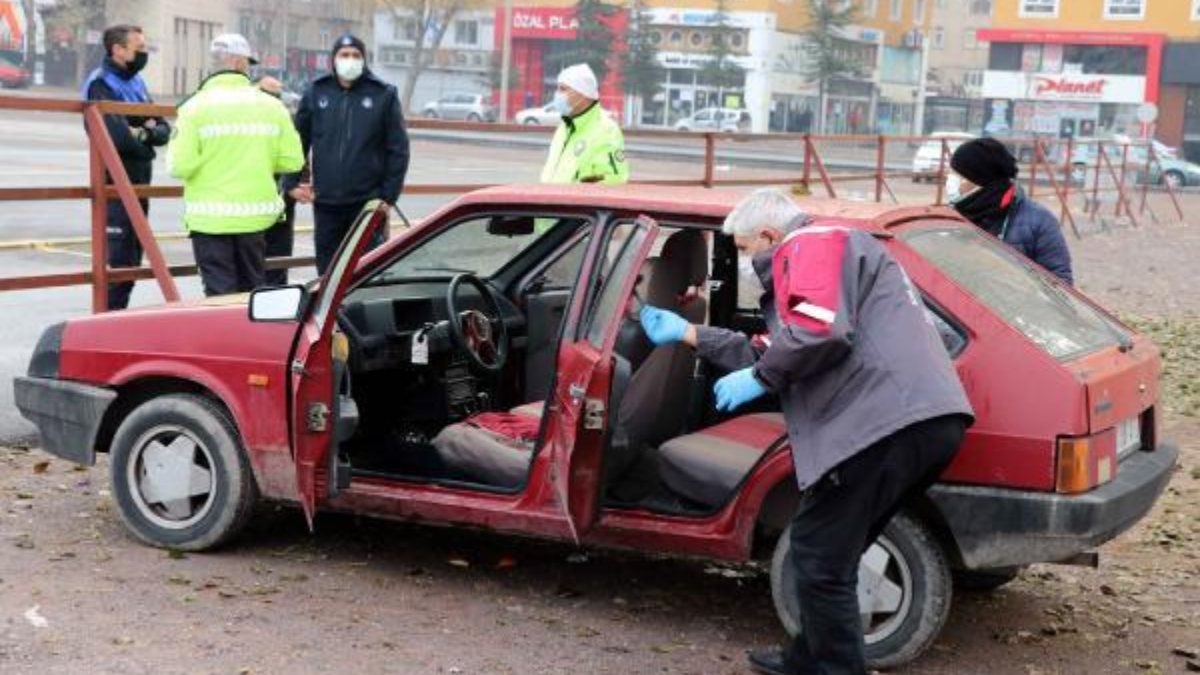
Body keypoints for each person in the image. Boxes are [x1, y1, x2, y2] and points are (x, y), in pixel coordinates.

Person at [638, 188, 974, 675]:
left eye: (748, 250)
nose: (749, 263)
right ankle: (807, 659)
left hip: (882, 424)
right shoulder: (834, 261)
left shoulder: (811, 245)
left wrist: (759, 379)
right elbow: (776, 345)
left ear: (771, 236)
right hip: (916, 420)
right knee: (829, 550)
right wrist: (689, 334)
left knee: (818, 554)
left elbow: (818, 335)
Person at [167, 34, 304, 296]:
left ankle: (223, 337)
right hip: (255, 217)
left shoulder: (194, 107)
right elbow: (292, 160)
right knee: (252, 292)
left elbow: (179, 166)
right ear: (241, 63)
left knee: (219, 296)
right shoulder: (271, 106)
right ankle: (251, 337)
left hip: (209, 219)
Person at [284, 33, 411, 275]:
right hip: (326, 204)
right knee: (328, 273)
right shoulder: (316, 92)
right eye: (344, 55)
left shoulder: (383, 94)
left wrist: (388, 197)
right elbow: (298, 141)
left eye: (356, 55)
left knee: (366, 273)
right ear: (333, 60)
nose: (350, 60)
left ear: (364, 60)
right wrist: (292, 181)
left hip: (368, 204)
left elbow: (398, 149)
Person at [82, 24, 171, 310]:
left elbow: (164, 128)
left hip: (139, 180)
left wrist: (143, 132)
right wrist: (145, 134)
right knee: (119, 266)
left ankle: (113, 321)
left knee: (132, 262)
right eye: (139, 48)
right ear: (118, 50)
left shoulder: (137, 83)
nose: (144, 54)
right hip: (114, 182)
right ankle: (103, 328)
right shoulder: (101, 82)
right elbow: (116, 136)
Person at [946, 137, 1074, 284]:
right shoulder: (948, 217)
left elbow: (1061, 285)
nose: (949, 182)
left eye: (959, 176)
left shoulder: (1039, 221)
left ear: (981, 180)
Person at [540, 63, 628, 185]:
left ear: (583, 93)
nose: (557, 94)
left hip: (572, 203)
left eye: (563, 89)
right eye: (558, 88)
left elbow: (613, 180)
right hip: (550, 201)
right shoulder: (565, 126)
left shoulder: (606, 130)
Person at [258, 75, 298, 286]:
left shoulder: (286, 119)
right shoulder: (253, 120)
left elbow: (297, 156)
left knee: (278, 256)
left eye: (277, 95)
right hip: (259, 196)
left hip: (280, 197)